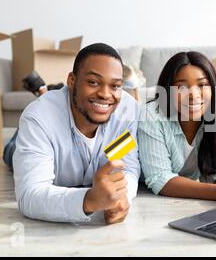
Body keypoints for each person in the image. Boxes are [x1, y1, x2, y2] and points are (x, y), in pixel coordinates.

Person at [12, 43, 141, 224]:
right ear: (72, 80)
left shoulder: (129, 112)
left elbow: (128, 166)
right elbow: (30, 195)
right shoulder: (38, 118)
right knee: (11, 151)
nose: (105, 94)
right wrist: (88, 201)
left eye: (115, 86)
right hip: (35, 134)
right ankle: (43, 91)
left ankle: (44, 89)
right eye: (93, 82)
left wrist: (121, 197)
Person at [138, 51, 216, 203]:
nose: (193, 95)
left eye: (202, 85)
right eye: (182, 87)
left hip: (184, 192)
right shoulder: (152, 115)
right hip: (145, 196)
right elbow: (160, 180)